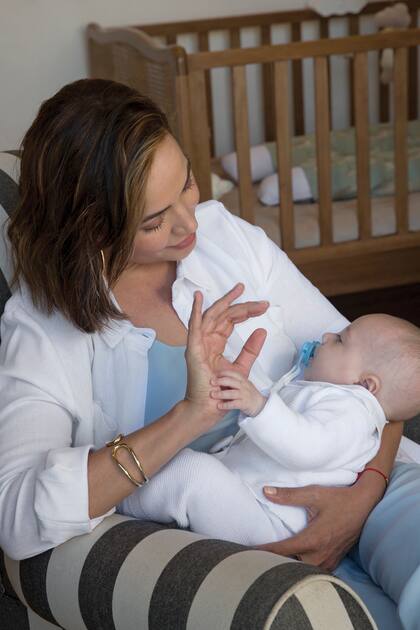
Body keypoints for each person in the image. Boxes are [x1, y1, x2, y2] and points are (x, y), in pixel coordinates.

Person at [0, 79, 419, 629]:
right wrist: (189, 415)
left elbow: (379, 368)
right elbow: (17, 513)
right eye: (154, 221)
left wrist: (365, 493)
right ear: (89, 229)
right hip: (246, 526)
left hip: (365, 479)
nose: (190, 223)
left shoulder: (227, 237)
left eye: (188, 183)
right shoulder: (45, 327)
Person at [118, 313, 420, 546]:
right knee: (192, 470)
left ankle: (117, 503)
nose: (327, 334)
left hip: (271, 523)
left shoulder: (352, 412)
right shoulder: (332, 395)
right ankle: (131, 499)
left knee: (192, 474)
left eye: (340, 340)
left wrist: (257, 405)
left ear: (366, 385)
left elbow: (308, 447)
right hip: (252, 501)